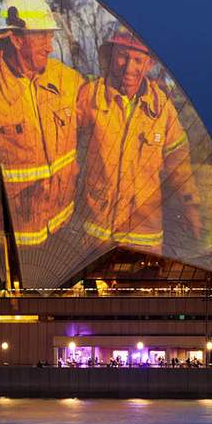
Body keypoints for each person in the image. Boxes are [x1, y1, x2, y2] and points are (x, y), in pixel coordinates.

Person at [0, 0, 82, 249]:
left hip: (62, 226)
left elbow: (99, 107)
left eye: (50, 36)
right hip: (14, 242)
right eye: (42, 36)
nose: (50, 46)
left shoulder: (65, 78)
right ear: (17, 39)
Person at [75, 25, 201, 254]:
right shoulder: (90, 96)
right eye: (122, 56)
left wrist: (190, 206)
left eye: (137, 59)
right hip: (95, 235)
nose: (129, 67)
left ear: (149, 64)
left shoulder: (162, 109)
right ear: (111, 55)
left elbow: (179, 164)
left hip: (144, 237)